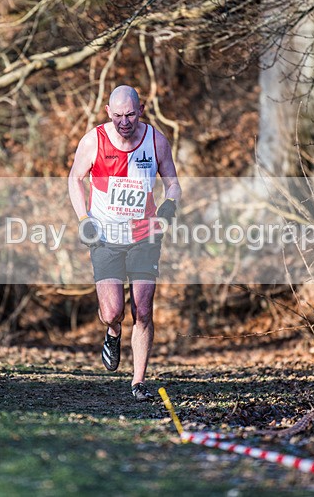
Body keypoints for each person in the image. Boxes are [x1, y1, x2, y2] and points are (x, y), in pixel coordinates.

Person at [68, 85, 181, 401]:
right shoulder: (94, 141)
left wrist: (170, 204)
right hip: (105, 237)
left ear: (141, 110)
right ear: (108, 112)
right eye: (117, 115)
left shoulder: (156, 141)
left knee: (143, 309)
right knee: (112, 311)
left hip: (145, 235)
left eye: (130, 114)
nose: (124, 122)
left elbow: (173, 182)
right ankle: (113, 331)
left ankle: (138, 381)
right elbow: (74, 178)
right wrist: (83, 218)